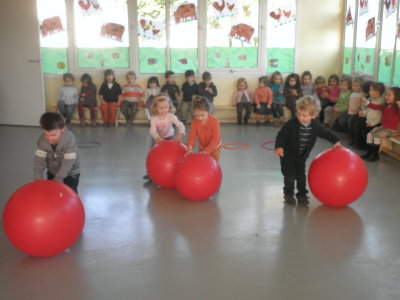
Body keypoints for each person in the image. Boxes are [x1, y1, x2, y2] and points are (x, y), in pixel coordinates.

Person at [275, 96, 341, 206]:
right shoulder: (292, 123)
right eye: (299, 114)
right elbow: (281, 135)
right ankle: (288, 194)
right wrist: (279, 147)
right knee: (290, 176)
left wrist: (335, 141)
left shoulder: (315, 125)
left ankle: (302, 195)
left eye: (304, 115)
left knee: (301, 176)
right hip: (287, 155)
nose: (300, 117)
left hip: (302, 156)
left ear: (313, 115)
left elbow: (325, 133)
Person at [33, 112, 80, 193]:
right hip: (52, 172)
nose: (49, 139)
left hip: (70, 173)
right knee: (52, 194)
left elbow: (68, 162)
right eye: (46, 134)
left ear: (62, 129)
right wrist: (38, 178)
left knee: (69, 194)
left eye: (53, 135)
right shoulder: (42, 141)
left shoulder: (70, 139)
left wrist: (58, 179)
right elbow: (39, 161)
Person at [143, 94, 186, 181]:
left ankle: (172, 172)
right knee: (153, 155)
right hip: (157, 138)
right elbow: (152, 130)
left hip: (169, 137)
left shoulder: (171, 116)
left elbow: (180, 125)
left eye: (166, 107)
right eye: (161, 108)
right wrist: (157, 138)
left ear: (169, 106)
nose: (164, 110)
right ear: (155, 108)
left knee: (171, 155)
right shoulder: (153, 118)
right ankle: (150, 173)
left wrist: (180, 134)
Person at [361, 87, 400, 162]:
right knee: (369, 134)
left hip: (393, 129)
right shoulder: (386, 106)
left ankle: (375, 155)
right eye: (386, 95)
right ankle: (369, 152)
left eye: (389, 95)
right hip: (384, 127)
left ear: (397, 97)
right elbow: (376, 107)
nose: (386, 97)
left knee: (376, 136)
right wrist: (367, 103)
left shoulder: (397, 108)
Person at [185, 96, 222, 162]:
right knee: (203, 162)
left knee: (213, 163)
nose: (199, 118)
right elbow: (192, 136)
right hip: (202, 147)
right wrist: (190, 146)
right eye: (197, 115)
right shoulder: (194, 122)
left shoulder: (214, 121)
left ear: (208, 111)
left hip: (214, 147)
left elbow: (215, 139)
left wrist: (207, 150)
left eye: (202, 115)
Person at [358, 82, 386, 151]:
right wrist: (364, 113)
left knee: (370, 137)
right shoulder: (373, 99)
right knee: (363, 132)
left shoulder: (381, 101)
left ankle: (373, 152)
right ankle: (368, 150)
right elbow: (370, 109)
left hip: (375, 124)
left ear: (377, 92)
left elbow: (377, 114)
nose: (369, 92)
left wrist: (367, 103)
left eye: (371, 90)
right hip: (369, 122)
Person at [345, 77, 363, 145]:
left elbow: (362, 105)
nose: (354, 87)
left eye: (356, 85)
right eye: (353, 85)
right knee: (346, 122)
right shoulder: (352, 94)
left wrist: (359, 110)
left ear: (361, 86)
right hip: (350, 112)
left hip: (356, 113)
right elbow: (350, 103)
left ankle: (353, 139)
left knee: (351, 124)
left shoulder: (361, 95)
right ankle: (350, 136)